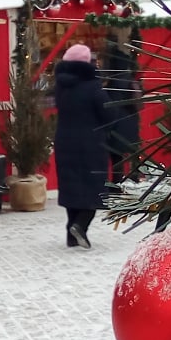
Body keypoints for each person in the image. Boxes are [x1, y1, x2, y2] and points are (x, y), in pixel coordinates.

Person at [53, 43, 113, 249]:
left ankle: (71, 234)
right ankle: (80, 226)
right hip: (90, 145)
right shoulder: (93, 87)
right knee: (94, 190)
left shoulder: (61, 86)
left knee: (71, 190)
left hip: (64, 142)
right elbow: (108, 113)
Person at [99, 35, 141, 185]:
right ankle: (133, 178)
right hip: (131, 122)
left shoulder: (112, 81)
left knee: (115, 155)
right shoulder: (130, 79)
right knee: (130, 153)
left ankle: (116, 183)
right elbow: (138, 102)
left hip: (117, 123)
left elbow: (111, 104)